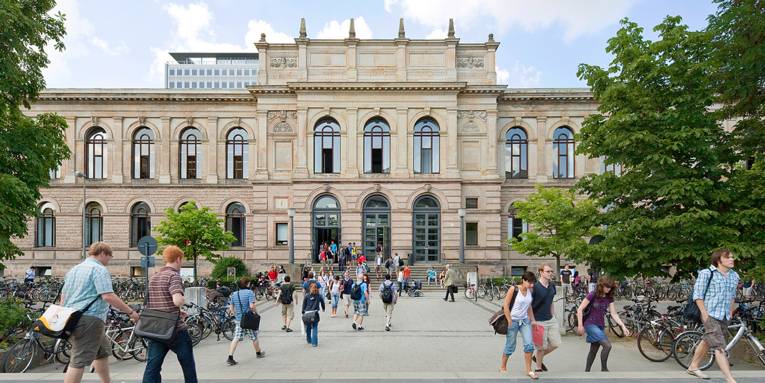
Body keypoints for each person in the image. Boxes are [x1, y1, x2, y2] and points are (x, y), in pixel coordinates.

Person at [61, 242, 139, 383]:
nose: (109, 260)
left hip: (72, 317)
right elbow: (108, 296)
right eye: (109, 257)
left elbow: (63, 296)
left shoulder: (74, 269)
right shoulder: (98, 269)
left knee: (102, 353)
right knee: (78, 360)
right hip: (89, 319)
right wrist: (130, 311)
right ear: (103, 253)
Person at [143, 246, 198, 383]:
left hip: (156, 328)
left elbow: (154, 302)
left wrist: (177, 310)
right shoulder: (173, 275)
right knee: (188, 365)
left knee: (153, 367)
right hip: (175, 330)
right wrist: (183, 301)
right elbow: (177, 300)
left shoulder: (154, 277)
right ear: (178, 259)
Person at [687, 249, 739, 383]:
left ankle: (693, 366)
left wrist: (731, 312)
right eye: (728, 258)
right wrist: (704, 313)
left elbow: (733, 296)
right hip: (710, 314)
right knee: (719, 346)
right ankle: (730, 378)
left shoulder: (735, 276)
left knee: (708, 340)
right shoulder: (706, 273)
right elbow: (697, 295)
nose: (732, 260)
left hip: (725, 316)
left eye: (732, 257)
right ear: (718, 260)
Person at [576, 276, 630, 373]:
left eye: (610, 287)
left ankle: (586, 371)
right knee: (607, 345)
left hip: (600, 325)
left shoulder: (609, 298)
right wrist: (580, 325)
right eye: (607, 287)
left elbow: (614, 314)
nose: (608, 289)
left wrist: (623, 326)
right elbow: (580, 309)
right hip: (590, 324)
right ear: (601, 286)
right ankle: (604, 369)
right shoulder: (592, 295)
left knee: (594, 349)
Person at [499, 271, 538, 379]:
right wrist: (509, 320)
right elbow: (506, 305)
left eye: (533, 283)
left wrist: (533, 320)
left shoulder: (530, 291)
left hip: (525, 321)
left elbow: (529, 307)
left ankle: (529, 370)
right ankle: (503, 366)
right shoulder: (514, 289)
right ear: (524, 280)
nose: (532, 285)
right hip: (514, 321)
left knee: (529, 344)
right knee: (511, 345)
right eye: (530, 282)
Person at [227, 277, 265, 366]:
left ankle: (230, 357)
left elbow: (231, 307)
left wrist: (235, 315)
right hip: (248, 319)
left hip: (239, 320)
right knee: (254, 337)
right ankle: (258, 353)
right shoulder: (250, 292)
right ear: (247, 284)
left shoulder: (234, 294)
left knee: (236, 338)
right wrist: (256, 313)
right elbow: (252, 306)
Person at [531, 264, 560, 374]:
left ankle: (536, 357)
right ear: (541, 272)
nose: (550, 273)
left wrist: (554, 316)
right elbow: (529, 305)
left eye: (551, 271)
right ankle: (538, 367)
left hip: (550, 319)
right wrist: (532, 320)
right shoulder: (535, 287)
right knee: (541, 347)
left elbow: (551, 301)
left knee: (555, 344)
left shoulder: (552, 286)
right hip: (538, 320)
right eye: (548, 271)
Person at [301, 281, 326, 347]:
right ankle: (314, 343)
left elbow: (304, 304)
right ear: (317, 288)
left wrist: (303, 311)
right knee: (315, 327)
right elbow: (323, 302)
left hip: (307, 313)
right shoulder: (319, 296)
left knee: (308, 327)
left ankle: (309, 340)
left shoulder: (307, 296)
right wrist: (323, 308)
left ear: (309, 288)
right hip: (315, 314)